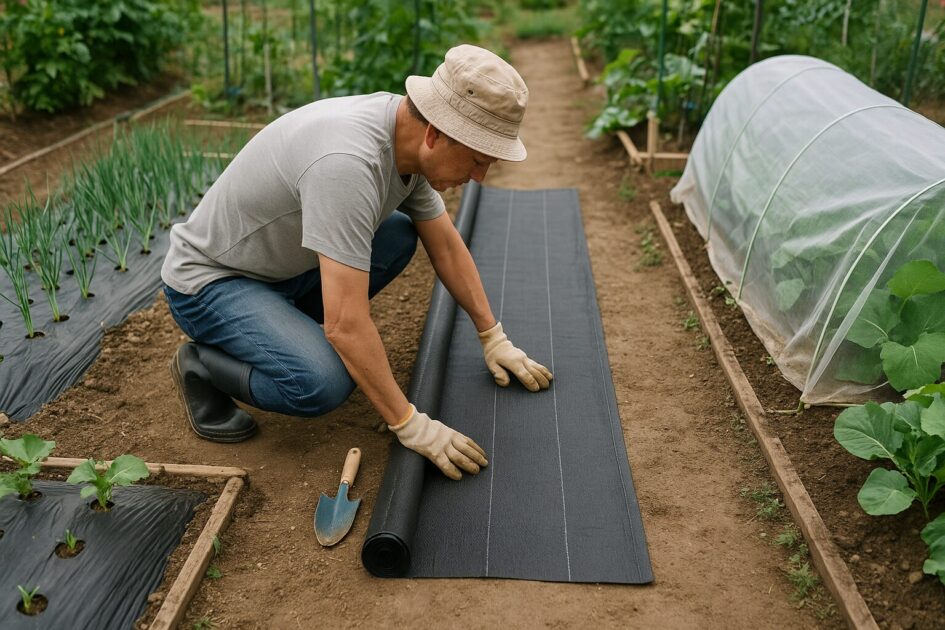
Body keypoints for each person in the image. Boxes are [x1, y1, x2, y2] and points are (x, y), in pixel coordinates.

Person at [160, 45, 552, 481]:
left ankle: (281, 328)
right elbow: (345, 325)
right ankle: (202, 366)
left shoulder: (405, 138)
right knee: (321, 382)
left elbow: (444, 243)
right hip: (212, 282)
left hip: (280, 268)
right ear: (436, 134)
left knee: (400, 236)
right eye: (478, 160)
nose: (480, 176)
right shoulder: (347, 164)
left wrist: (492, 335)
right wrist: (411, 424)